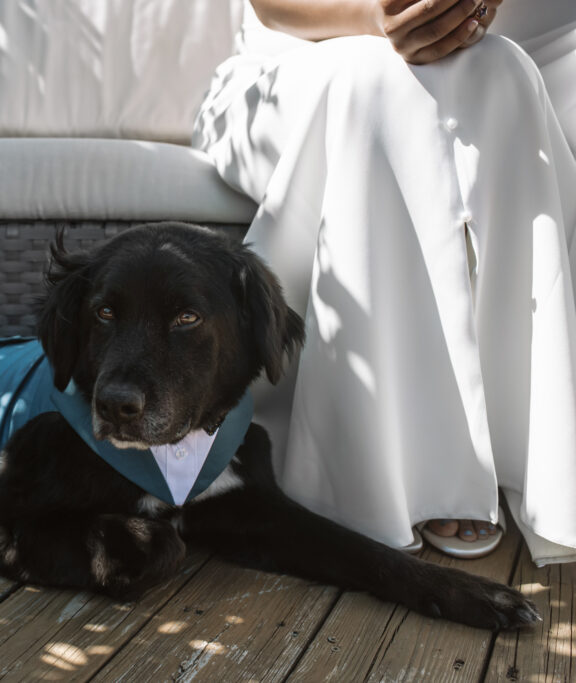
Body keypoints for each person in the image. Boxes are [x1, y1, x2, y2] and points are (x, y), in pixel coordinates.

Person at [193, 0, 576, 564]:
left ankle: (499, 460)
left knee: (503, 70)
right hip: (298, 66)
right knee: (381, 81)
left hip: (485, 58)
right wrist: (374, 15)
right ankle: (412, 468)